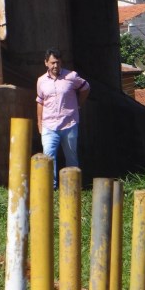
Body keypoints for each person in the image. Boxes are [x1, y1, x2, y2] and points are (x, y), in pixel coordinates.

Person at [36, 48, 90, 187]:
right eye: (53, 62)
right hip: (49, 126)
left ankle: (72, 187)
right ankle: (50, 188)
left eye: (58, 63)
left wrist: (78, 104)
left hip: (69, 124)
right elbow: (40, 102)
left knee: (71, 157)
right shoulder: (41, 81)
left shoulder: (71, 76)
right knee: (48, 156)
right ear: (46, 63)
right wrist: (39, 124)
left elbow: (86, 88)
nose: (56, 66)